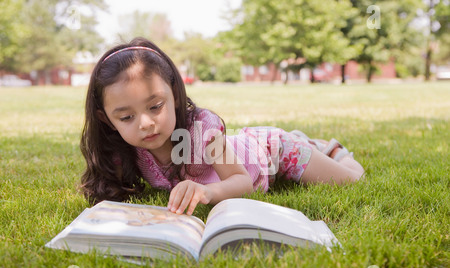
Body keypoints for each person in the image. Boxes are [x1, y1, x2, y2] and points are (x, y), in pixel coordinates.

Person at [80, 37, 364, 216]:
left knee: (351, 181)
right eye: (126, 117)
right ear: (107, 119)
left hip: (273, 152)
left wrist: (208, 193)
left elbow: (242, 181)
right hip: (246, 145)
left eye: (155, 106)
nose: (145, 123)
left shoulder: (203, 131)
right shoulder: (124, 150)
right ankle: (313, 145)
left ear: (176, 96)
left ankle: (331, 150)